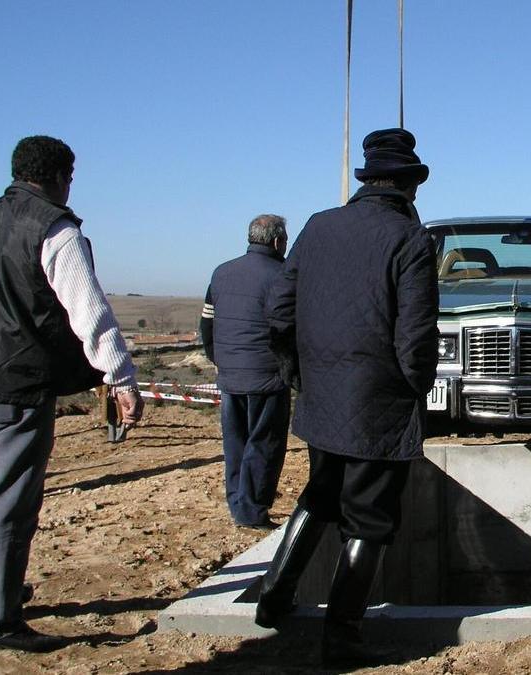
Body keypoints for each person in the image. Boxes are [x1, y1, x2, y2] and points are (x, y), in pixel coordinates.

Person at [0, 135, 143, 652]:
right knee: (13, 501)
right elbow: (88, 310)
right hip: (19, 385)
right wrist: (120, 377)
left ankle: (0, 593)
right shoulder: (54, 228)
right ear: (61, 176)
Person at [254, 128, 439, 667]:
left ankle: (273, 598)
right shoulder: (409, 238)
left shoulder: (316, 227)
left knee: (323, 493)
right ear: (408, 186)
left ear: (367, 180)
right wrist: (414, 388)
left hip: (323, 396)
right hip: (378, 402)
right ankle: (342, 635)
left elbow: (279, 312)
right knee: (370, 517)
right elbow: (416, 335)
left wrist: (299, 374)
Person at [201, 214, 291, 530]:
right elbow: (288, 327)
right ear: (278, 241)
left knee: (235, 443)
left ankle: (237, 502)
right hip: (267, 376)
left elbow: (206, 325)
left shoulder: (221, 273)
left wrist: (220, 359)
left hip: (230, 375)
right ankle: (252, 511)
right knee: (264, 444)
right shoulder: (283, 275)